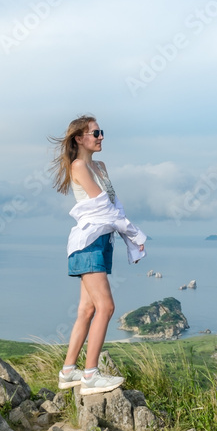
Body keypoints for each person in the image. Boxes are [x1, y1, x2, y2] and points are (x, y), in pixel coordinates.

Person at [49, 115, 147, 395]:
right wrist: (134, 234)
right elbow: (105, 209)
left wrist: (128, 235)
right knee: (106, 307)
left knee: (88, 309)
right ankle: (90, 375)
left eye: (101, 132)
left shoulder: (100, 166)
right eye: (95, 133)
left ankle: (68, 372)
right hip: (88, 243)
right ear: (79, 138)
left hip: (102, 241)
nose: (101, 136)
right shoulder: (79, 166)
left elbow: (116, 207)